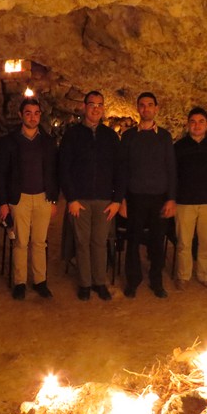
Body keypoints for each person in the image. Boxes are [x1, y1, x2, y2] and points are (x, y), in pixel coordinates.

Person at [60, 91, 125, 301]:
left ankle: (99, 282)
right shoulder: (72, 135)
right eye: (92, 104)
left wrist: (117, 200)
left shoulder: (110, 136)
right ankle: (85, 284)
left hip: (105, 200)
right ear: (84, 106)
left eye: (99, 105)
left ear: (103, 108)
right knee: (82, 243)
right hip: (80, 200)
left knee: (99, 242)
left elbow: (119, 169)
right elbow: (64, 169)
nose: (96, 108)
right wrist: (71, 199)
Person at [0, 97, 59, 300]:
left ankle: (40, 281)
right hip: (19, 198)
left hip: (42, 197)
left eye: (36, 113)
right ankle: (20, 282)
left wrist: (54, 199)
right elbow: (0, 173)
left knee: (40, 242)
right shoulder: (9, 141)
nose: (33, 117)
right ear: (21, 115)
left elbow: (54, 172)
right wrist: (3, 202)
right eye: (28, 113)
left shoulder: (48, 141)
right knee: (21, 242)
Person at [120, 92, 176, 298]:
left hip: (159, 198)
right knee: (133, 241)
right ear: (138, 108)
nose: (146, 108)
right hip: (135, 197)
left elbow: (171, 168)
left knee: (157, 241)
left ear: (156, 108)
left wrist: (171, 198)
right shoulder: (128, 136)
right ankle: (133, 280)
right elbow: (123, 170)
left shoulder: (164, 136)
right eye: (142, 105)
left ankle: (156, 281)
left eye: (150, 105)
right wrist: (122, 199)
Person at [173, 107, 207, 292]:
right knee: (184, 243)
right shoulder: (179, 147)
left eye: (201, 121)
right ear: (188, 124)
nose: (197, 125)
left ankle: (205, 275)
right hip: (184, 202)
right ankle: (183, 276)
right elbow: (173, 174)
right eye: (193, 122)